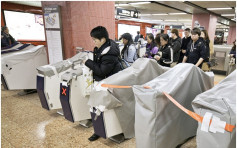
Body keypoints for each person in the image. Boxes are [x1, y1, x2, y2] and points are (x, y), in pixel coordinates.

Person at [84, 26, 121, 141]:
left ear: (103, 39)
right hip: (101, 82)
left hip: (107, 84)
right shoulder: (102, 47)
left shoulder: (109, 53)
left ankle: (103, 131)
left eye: (95, 40)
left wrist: (87, 62)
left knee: (102, 108)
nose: (93, 42)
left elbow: (101, 71)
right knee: (96, 107)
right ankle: (99, 130)